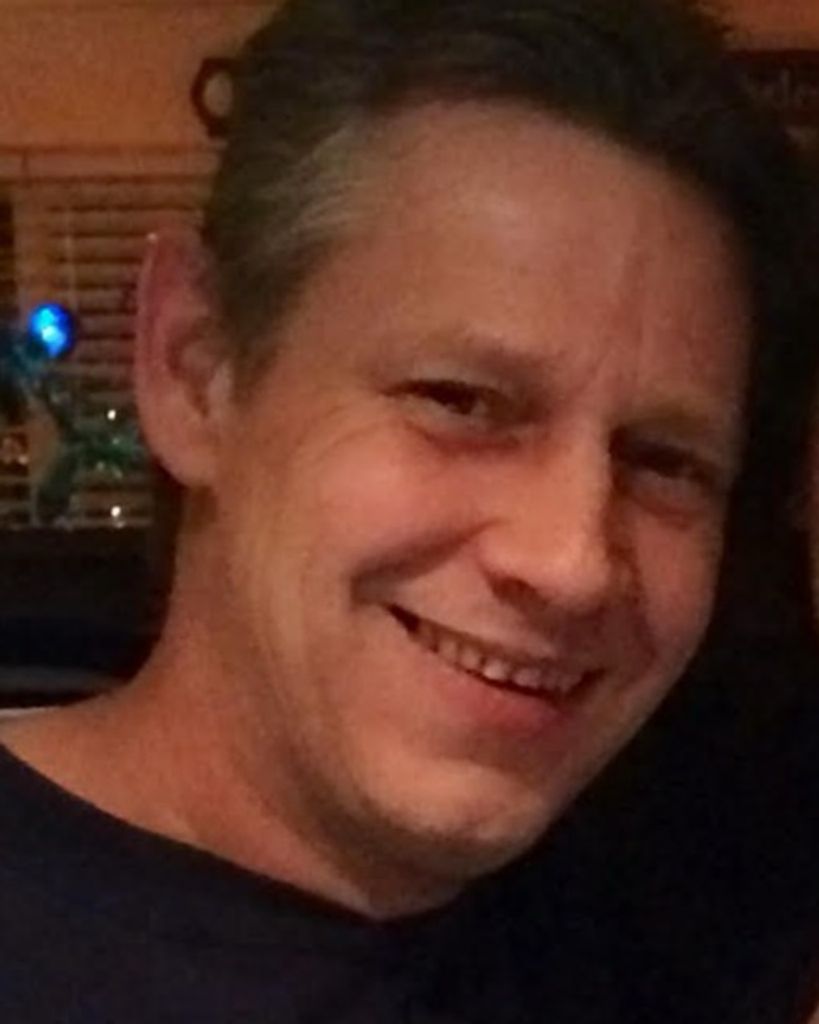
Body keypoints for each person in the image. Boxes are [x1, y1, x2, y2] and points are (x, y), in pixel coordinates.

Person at [0, 0, 814, 1020]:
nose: (573, 560)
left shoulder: (663, 914)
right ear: (195, 370)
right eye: (460, 402)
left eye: (664, 460)